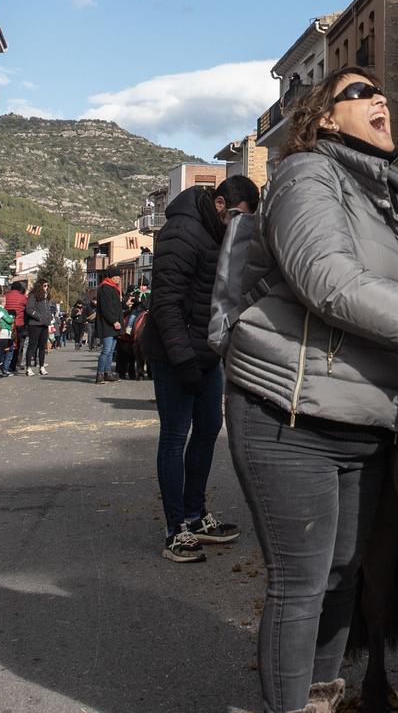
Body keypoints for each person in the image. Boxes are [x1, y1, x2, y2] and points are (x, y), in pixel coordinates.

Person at [225, 69, 398, 713]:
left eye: (381, 91)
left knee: (345, 582)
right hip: (288, 411)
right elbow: (328, 279)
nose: (381, 98)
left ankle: (320, 700)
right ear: (323, 119)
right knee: (303, 584)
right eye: (358, 92)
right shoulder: (306, 176)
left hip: (370, 419)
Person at [144, 175, 258, 564]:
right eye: (239, 217)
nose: (240, 226)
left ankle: (195, 514)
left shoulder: (219, 234)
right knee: (175, 436)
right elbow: (167, 304)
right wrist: (184, 360)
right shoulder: (182, 232)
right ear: (221, 204)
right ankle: (175, 530)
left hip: (207, 355)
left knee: (209, 429)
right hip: (176, 356)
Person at [93, 272, 126, 383]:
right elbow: (106, 308)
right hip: (108, 325)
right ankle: (100, 374)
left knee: (111, 351)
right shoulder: (105, 288)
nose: (118, 279)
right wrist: (114, 321)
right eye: (117, 277)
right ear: (112, 277)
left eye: (119, 277)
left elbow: (116, 306)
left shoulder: (114, 288)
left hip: (114, 325)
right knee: (106, 350)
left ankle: (108, 373)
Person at [20, 281, 56, 375]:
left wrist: (49, 317)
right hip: (35, 324)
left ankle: (41, 367)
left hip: (45, 324)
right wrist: (39, 316)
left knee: (42, 346)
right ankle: (28, 367)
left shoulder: (47, 296)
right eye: (45, 285)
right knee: (32, 345)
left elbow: (48, 309)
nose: (46, 287)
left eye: (48, 285)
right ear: (40, 286)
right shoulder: (33, 295)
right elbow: (29, 309)